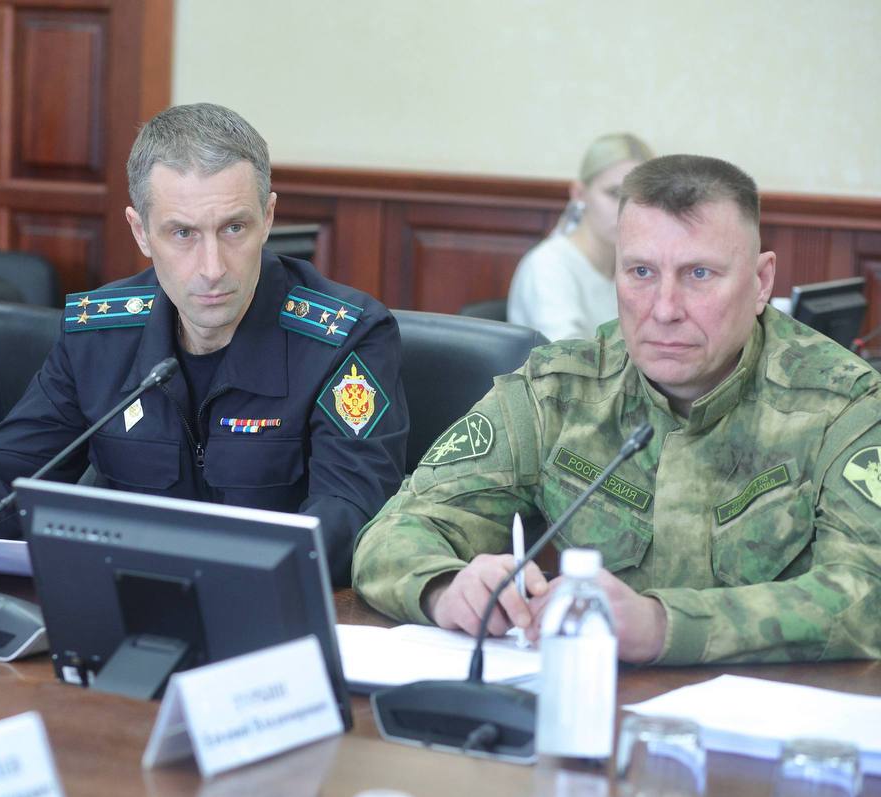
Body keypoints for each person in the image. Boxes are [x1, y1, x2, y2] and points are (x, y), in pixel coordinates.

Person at [354, 154, 881, 665]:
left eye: (699, 274)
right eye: (641, 271)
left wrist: (662, 626)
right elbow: (393, 531)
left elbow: (867, 591)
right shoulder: (558, 392)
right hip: (587, 700)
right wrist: (447, 588)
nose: (665, 309)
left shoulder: (844, 403)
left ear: (761, 282)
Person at [0, 103, 408, 585]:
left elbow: (349, 510)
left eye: (234, 229)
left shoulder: (345, 339)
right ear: (141, 232)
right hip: (130, 604)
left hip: (275, 607)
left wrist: (234, 572)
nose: (212, 267)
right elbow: (11, 467)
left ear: (267, 219)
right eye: (182, 233)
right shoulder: (100, 333)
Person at [506, 133, 653, 341]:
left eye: (640, 198)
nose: (626, 209)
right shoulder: (547, 265)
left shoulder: (638, 266)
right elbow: (568, 357)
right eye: (614, 193)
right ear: (579, 194)